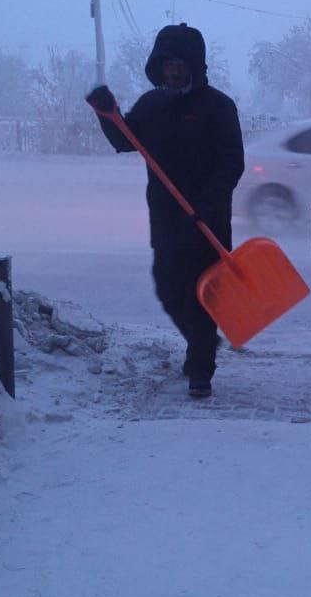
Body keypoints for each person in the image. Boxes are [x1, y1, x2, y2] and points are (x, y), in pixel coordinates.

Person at [89, 23, 244, 397]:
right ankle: (202, 343)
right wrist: (107, 114)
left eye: (179, 64)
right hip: (166, 218)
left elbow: (231, 164)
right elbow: (125, 140)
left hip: (207, 221)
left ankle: (200, 368)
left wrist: (206, 205)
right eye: (166, 64)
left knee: (202, 296)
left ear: (195, 65)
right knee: (169, 290)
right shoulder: (152, 105)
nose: (172, 71)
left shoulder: (218, 107)